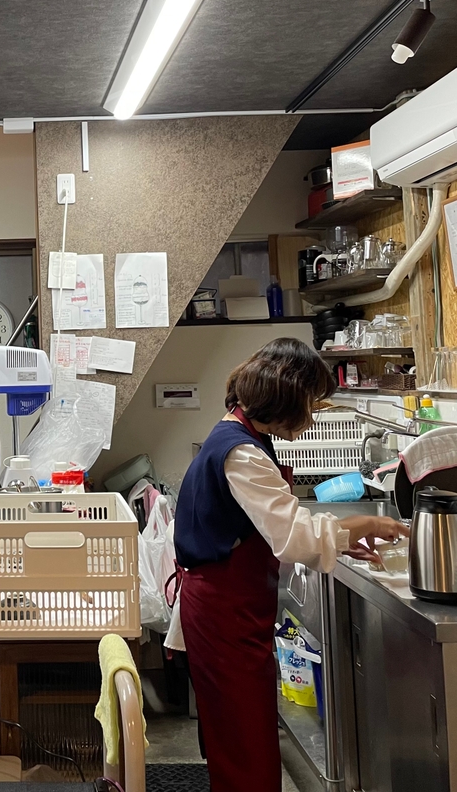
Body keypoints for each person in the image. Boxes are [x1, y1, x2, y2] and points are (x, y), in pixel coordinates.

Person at [167, 338, 408, 791]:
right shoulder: (241, 453)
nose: (311, 418)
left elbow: (270, 523)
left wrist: (341, 541)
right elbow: (294, 537)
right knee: (245, 745)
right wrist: (365, 524)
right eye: (309, 405)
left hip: (229, 608)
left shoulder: (239, 433)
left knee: (240, 735)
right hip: (223, 613)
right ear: (283, 398)